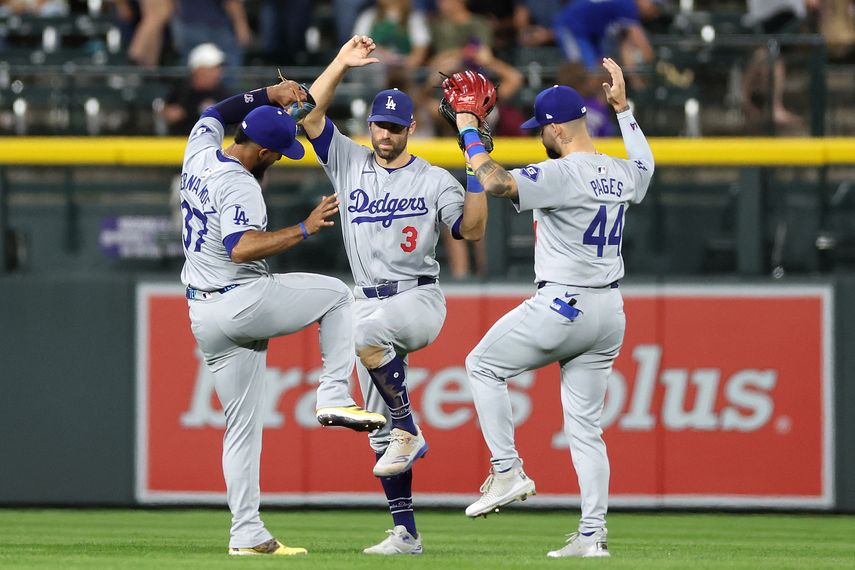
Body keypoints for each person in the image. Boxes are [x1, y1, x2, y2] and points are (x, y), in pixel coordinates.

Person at [179, 75, 386, 556]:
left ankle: (247, 534)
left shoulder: (199, 151)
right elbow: (241, 247)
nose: (277, 160)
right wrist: (305, 228)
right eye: (277, 154)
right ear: (263, 152)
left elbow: (213, 112)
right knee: (337, 295)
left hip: (203, 313)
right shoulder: (240, 185)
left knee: (241, 429)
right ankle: (334, 393)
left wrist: (266, 96)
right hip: (240, 298)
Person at [455, 58, 654, 557]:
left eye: (541, 128)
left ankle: (506, 470)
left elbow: (496, 183)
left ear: (558, 129)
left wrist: (468, 131)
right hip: (609, 311)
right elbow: (646, 169)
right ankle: (592, 534)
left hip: (565, 303)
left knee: (482, 365)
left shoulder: (562, 172)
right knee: (586, 429)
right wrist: (624, 111)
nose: (539, 135)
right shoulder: (619, 171)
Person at [301, 35, 488, 555]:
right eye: (379, 125)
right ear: (371, 126)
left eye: (395, 126)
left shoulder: (433, 179)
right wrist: (340, 62)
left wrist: (476, 173)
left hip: (418, 299)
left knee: (364, 335)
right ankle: (405, 532)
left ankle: (410, 428)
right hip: (367, 298)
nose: (385, 133)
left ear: (410, 129)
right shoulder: (349, 161)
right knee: (380, 435)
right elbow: (309, 115)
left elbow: (472, 230)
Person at [553, 0, 655, 82]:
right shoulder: (628, 4)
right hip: (571, 26)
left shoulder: (625, 9)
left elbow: (625, 47)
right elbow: (642, 44)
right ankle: (575, 99)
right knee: (580, 69)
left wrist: (636, 81)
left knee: (602, 68)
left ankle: (597, 101)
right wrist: (654, 65)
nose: (655, 12)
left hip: (592, 32)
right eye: (652, 4)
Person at [162, 43, 230, 135]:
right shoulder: (181, 90)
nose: (217, 73)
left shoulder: (222, 94)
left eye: (218, 69)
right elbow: (165, 112)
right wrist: (170, 114)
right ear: (197, 70)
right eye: (211, 69)